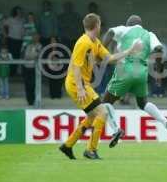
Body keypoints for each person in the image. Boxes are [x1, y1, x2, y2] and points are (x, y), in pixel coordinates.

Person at [59, 13, 143, 160]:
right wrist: (79, 88)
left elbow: (109, 58)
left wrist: (129, 51)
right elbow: (77, 67)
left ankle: (67, 145)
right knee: (102, 112)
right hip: (76, 83)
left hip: (82, 84)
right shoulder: (83, 42)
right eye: (100, 24)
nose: (100, 26)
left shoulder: (95, 42)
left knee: (92, 116)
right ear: (96, 25)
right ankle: (91, 150)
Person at [102, 14, 167, 147]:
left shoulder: (124, 29)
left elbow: (110, 32)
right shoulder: (149, 34)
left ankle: (116, 130)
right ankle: (165, 122)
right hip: (142, 72)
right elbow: (159, 49)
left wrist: (102, 49)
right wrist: (158, 70)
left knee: (106, 102)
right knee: (142, 103)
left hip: (125, 69)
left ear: (129, 24)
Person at [3, 6, 24, 75]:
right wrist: (5, 35)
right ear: (15, 12)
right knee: (11, 55)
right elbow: (4, 26)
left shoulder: (22, 20)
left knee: (17, 55)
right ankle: (11, 72)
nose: (19, 12)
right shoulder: (10, 19)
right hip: (11, 39)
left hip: (19, 40)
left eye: (20, 11)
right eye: (18, 11)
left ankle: (15, 71)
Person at [22, 33, 42, 106]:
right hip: (27, 67)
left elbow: (38, 55)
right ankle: (29, 101)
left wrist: (32, 56)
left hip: (35, 69)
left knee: (34, 85)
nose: (35, 39)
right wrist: (32, 56)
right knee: (27, 85)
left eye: (36, 37)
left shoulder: (40, 46)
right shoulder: (28, 45)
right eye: (34, 37)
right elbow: (26, 56)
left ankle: (35, 100)